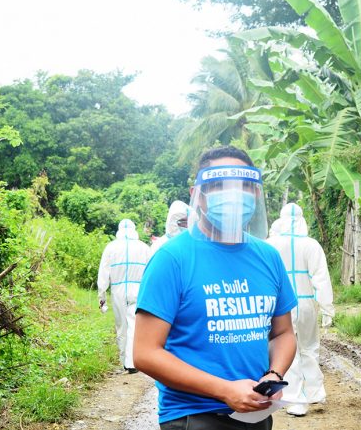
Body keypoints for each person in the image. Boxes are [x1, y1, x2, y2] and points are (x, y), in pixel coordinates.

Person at [134, 146, 298, 430]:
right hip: (194, 417)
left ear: (256, 193)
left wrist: (274, 373)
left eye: (244, 186)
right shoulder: (172, 259)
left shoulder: (268, 256)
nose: (234, 195)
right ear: (197, 194)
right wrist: (224, 390)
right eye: (220, 186)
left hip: (255, 414)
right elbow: (145, 352)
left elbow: (283, 332)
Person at [266, 203, 334, 417]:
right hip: (306, 304)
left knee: (287, 348)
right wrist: (327, 308)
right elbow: (321, 278)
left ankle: (296, 399)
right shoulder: (312, 245)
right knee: (310, 348)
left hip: (280, 307)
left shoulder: (270, 245)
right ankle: (315, 393)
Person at [97, 219, 151, 374]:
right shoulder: (144, 247)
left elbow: (103, 274)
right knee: (135, 325)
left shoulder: (111, 247)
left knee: (121, 326)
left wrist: (102, 297)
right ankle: (133, 361)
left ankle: (125, 362)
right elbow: (151, 272)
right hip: (139, 289)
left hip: (118, 290)